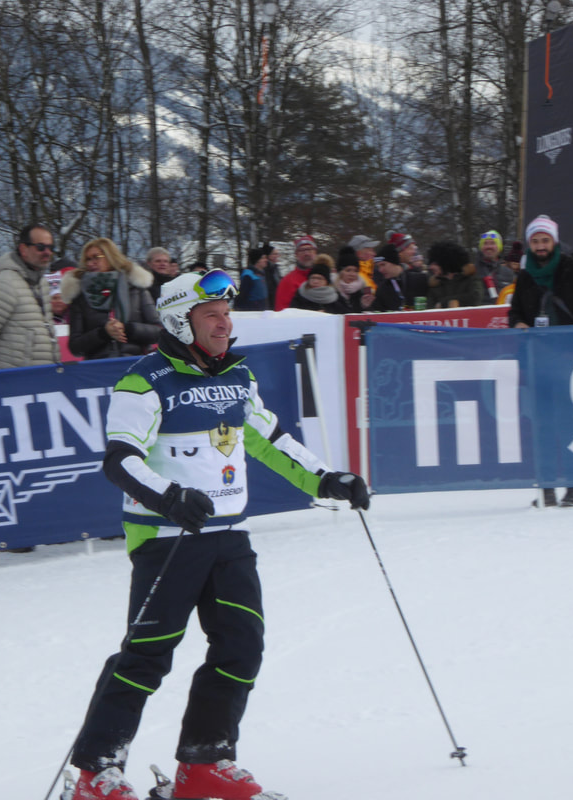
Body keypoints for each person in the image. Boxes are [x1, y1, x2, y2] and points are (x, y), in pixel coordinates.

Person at [68, 269, 369, 800]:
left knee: (241, 645)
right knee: (147, 655)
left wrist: (326, 478)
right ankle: (96, 772)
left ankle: (204, 762)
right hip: (167, 539)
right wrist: (170, 496)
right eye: (211, 315)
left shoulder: (236, 376)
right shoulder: (144, 381)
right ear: (179, 322)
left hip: (230, 535)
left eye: (226, 315)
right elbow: (120, 460)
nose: (224, 324)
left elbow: (270, 438)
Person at [509, 215, 573, 508]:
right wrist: (518, 323)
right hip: (538, 361)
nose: (540, 246)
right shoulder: (525, 276)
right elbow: (514, 312)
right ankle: (546, 488)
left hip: (569, 360)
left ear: (554, 241)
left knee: (567, 423)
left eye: (545, 240)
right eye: (535, 241)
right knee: (542, 426)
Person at [0, 224, 60, 369]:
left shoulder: (42, 283)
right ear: (24, 249)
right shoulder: (5, 283)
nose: (47, 252)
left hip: (46, 373)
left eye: (51, 247)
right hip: (18, 374)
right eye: (40, 247)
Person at [63, 237, 161, 360]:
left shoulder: (136, 289)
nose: (91, 263)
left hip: (135, 363)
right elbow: (75, 347)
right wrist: (103, 333)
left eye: (96, 257)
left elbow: (158, 331)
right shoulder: (80, 297)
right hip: (99, 366)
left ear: (110, 257)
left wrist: (128, 329)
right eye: (88, 259)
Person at [426, 241, 487, 309]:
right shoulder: (436, 285)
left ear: (446, 263)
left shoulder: (470, 278)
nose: (431, 267)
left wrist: (444, 302)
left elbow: (475, 298)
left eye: (435, 264)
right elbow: (430, 307)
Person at [273, 236, 318, 311]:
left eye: (309, 249)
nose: (306, 253)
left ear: (315, 252)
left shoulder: (324, 278)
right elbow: (281, 313)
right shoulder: (287, 281)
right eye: (302, 250)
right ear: (296, 255)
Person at [476, 230, 514, 299]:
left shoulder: (509, 273)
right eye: (485, 243)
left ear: (499, 247)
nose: (488, 247)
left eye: (492, 243)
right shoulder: (473, 272)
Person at [333, 245, 373, 312]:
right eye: (348, 270)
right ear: (340, 272)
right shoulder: (332, 292)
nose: (352, 274)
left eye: (356, 271)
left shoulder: (361, 293)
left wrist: (365, 307)